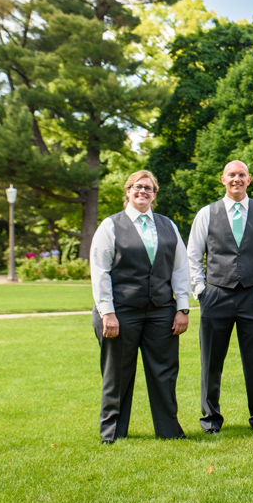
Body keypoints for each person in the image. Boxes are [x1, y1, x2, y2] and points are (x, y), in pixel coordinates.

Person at [90, 170, 190, 443]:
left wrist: (183, 308)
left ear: (154, 195)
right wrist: (107, 313)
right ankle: (112, 432)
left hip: (160, 310)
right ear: (128, 191)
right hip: (121, 311)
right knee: (117, 374)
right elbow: (100, 271)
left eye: (148, 188)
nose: (142, 191)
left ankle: (169, 431)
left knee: (165, 372)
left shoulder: (168, 225)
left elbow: (180, 268)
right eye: (138, 187)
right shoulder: (110, 226)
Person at [187, 160, 253, 434]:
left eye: (241, 175)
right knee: (211, 362)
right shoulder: (207, 214)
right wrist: (200, 290)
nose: (236, 179)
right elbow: (193, 254)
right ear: (223, 179)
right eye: (232, 175)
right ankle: (210, 420)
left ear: (249, 180)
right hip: (216, 295)